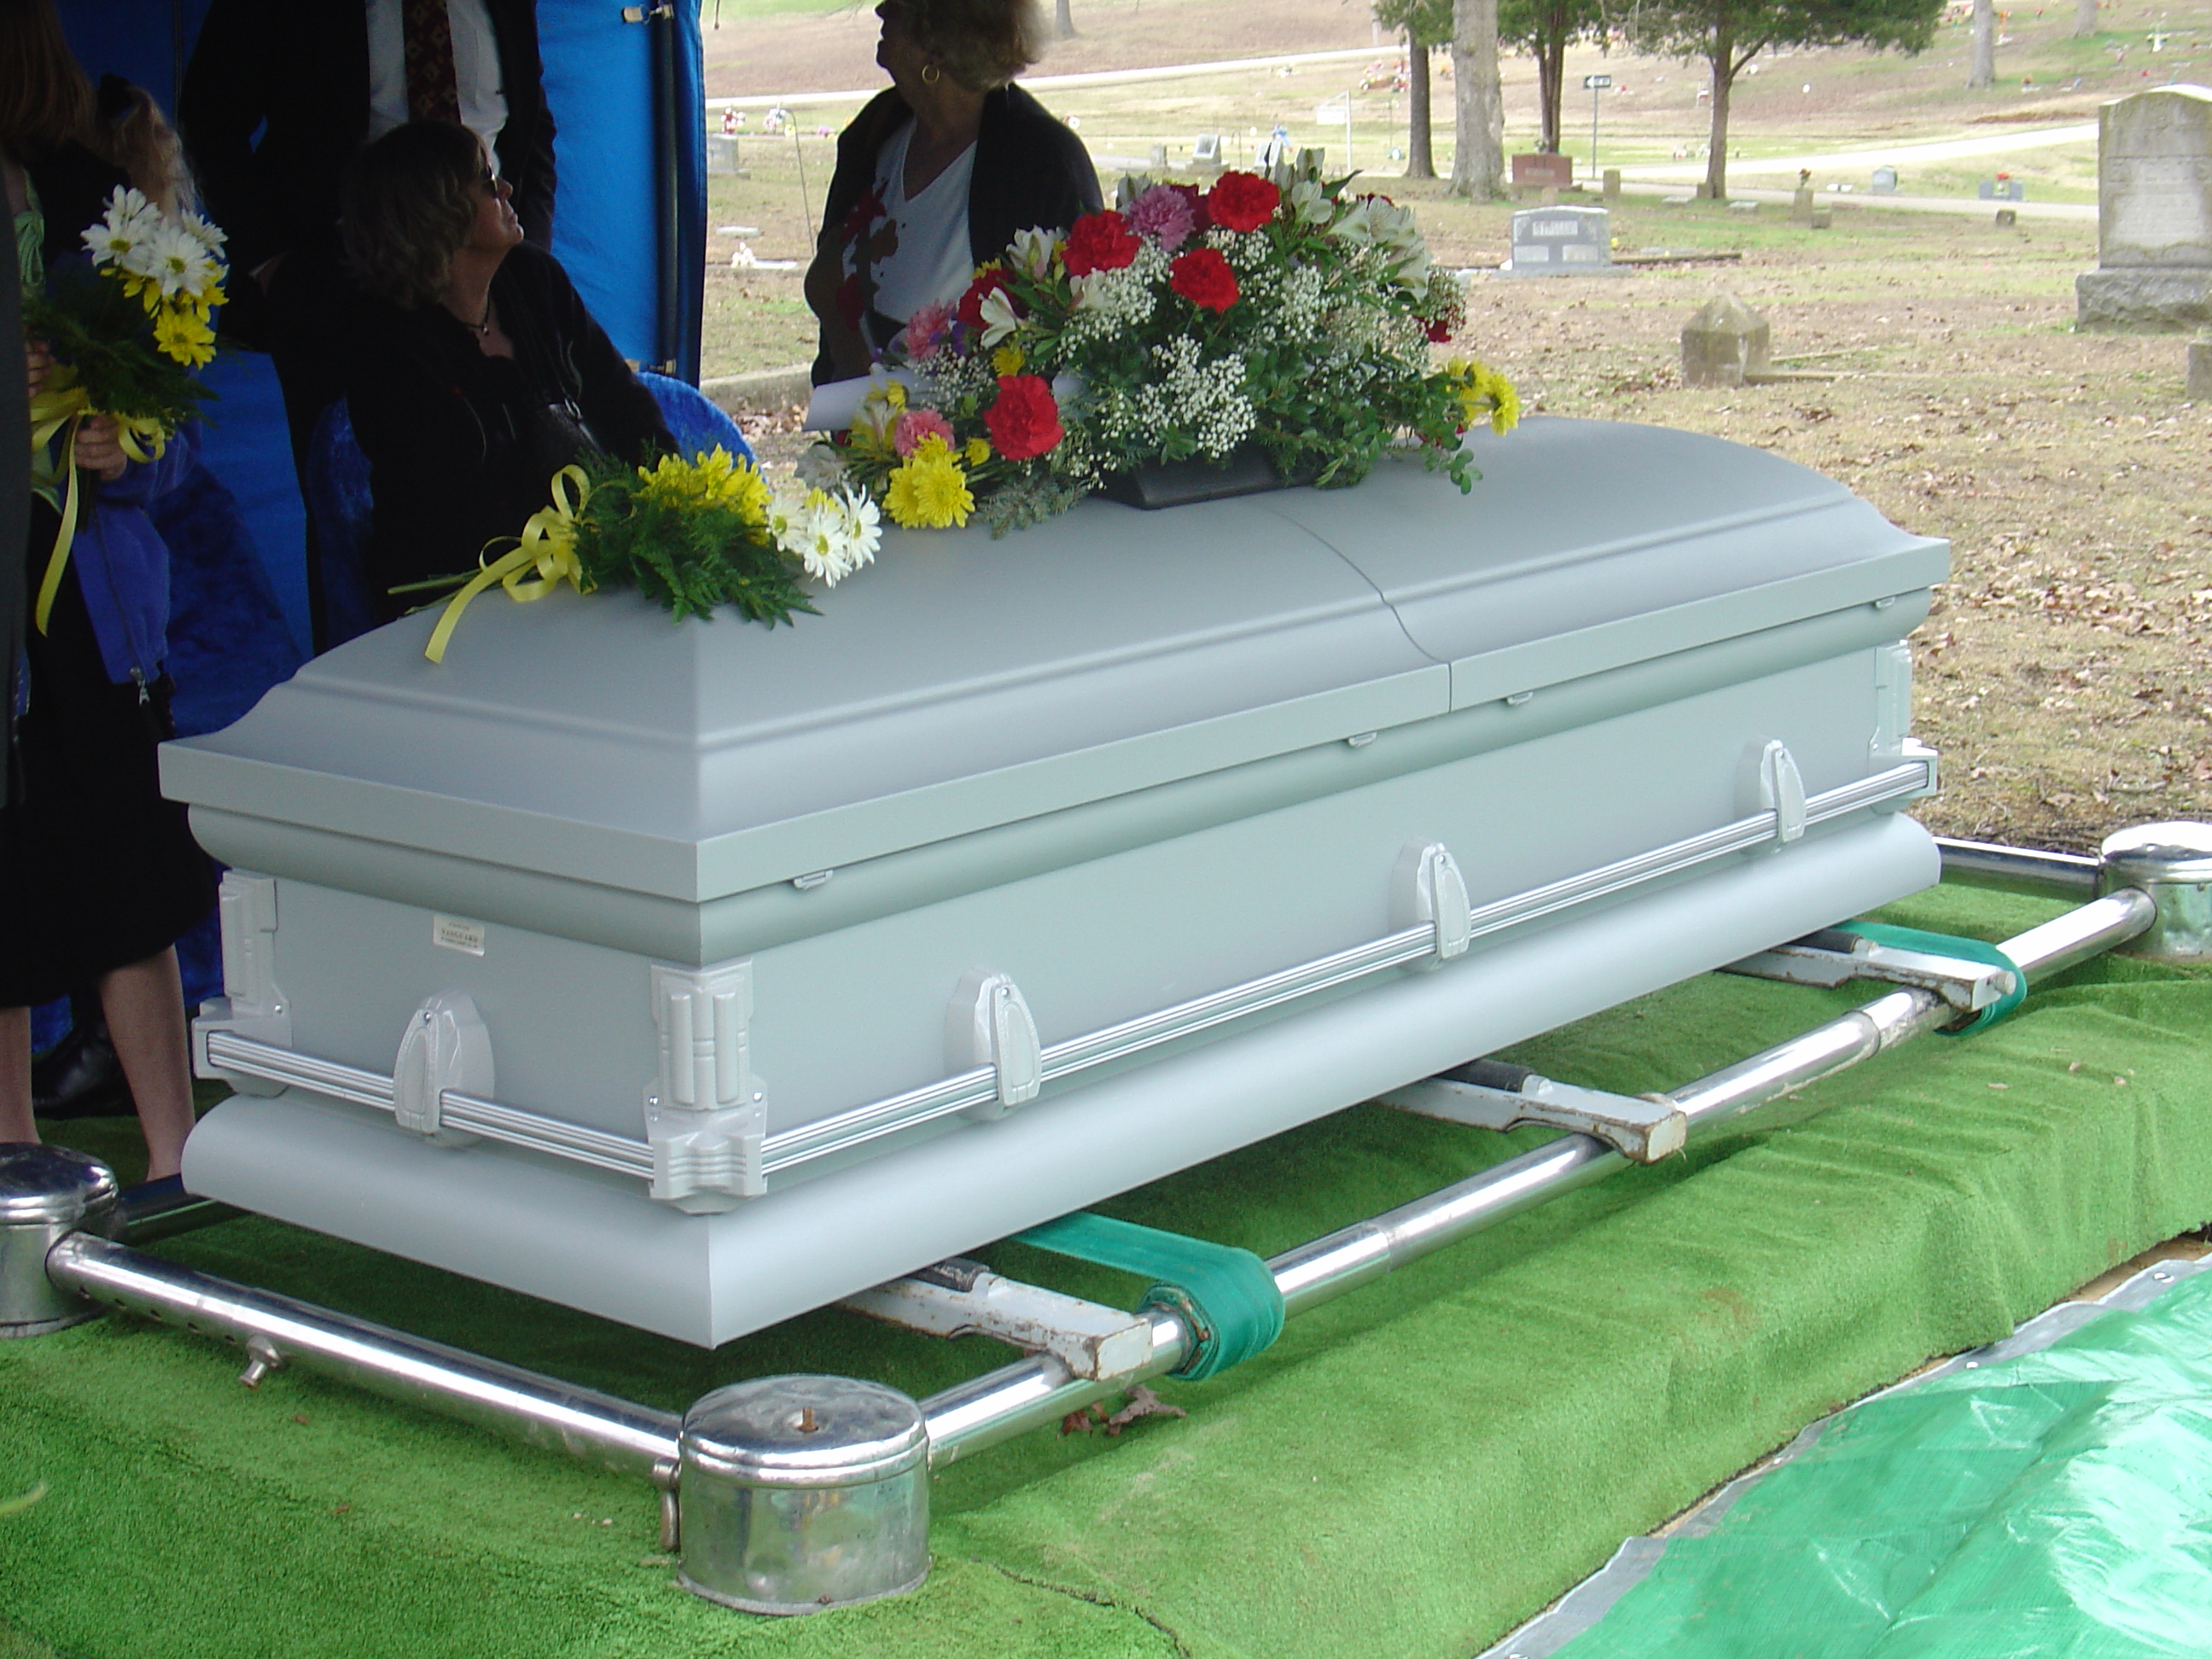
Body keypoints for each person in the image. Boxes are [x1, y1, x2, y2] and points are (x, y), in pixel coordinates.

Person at [2, 0, 217, 1182]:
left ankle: (173, 1162)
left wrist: (122, 447)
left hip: (90, 602)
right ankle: (11, 1159)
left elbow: (176, 421)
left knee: (128, 867)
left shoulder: (98, 202)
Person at [178, 0, 556, 648]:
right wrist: (273, 266)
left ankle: (513, 676)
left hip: (488, 280)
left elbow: (530, 127)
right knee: (357, 527)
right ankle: (365, 691)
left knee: (517, 495)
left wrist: (527, 259)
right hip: (345, 287)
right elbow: (209, 117)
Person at [339, 121, 671, 620]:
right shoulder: (389, 352)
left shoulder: (535, 279)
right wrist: (599, 539)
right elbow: (459, 514)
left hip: (577, 574)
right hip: (458, 602)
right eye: (486, 182)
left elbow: (623, 403)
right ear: (437, 213)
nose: (508, 189)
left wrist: (670, 499)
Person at [804, 0, 1100, 383]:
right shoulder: (876, 131)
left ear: (941, 36)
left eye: (899, 6)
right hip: (853, 418)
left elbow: (1074, 351)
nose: (880, 9)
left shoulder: (1042, 164)